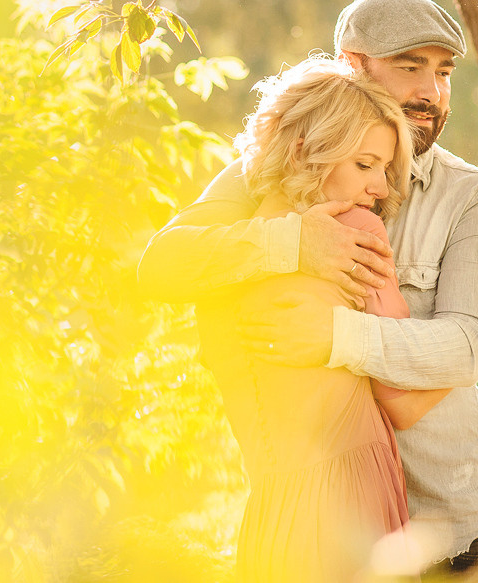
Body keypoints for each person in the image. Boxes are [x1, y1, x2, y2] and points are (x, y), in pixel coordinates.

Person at [141, 0, 478, 580]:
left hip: (448, 533)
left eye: (443, 72)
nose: (432, 91)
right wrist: (295, 243)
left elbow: (469, 345)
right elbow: (163, 265)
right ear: (353, 65)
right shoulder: (268, 171)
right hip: (325, 529)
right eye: (410, 67)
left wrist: (336, 336)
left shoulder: (472, 196)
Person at [175, 57, 444, 582]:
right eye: (365, 165)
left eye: (385, 170)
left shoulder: (220, 261)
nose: (380, 188)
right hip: (351, 506)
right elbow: (405, 402)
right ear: (304, 151)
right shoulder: (356, 231)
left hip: (270, 516)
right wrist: (475, 347)